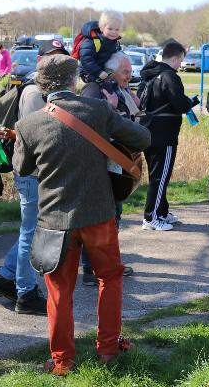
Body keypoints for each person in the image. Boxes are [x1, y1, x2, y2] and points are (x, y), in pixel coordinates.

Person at [13, 55, 151, 375]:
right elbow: (143, 139)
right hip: (99, 213)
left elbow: (21, 168)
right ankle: (108, 350)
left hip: (54, 220)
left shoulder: (28, 124)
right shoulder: (99, 111)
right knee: (110, 278)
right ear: (73, 81)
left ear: (42, 84)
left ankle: (62, 362)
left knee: (59, 291)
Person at [0, 39, 69, 315]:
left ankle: (6, 277)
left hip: (38, 172)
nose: (56, 62)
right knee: (31, 233)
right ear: (40, 61)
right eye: (51, 58)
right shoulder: (35, 92)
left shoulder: (46, 89)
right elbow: (41, 135)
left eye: (61, 58)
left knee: (30, 231)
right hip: (33, 173)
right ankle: (26, 293)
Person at [80, 51, 139, 283]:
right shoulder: (94, 90)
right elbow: (91, 129)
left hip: (117, 163)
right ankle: (92, 269)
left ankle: (108, 263)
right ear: (111, 71)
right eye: (126, 72)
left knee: (115, 215)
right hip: (99, 165)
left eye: (131, 72)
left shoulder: (120, 90)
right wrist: (113, 109)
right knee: (100, 217)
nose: (129, 76)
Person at [138, 39, 195, 231]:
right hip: (165, 133)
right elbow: (179, 104)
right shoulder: (169, 76)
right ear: (176, 58)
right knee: (160, 176)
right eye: (180, 60)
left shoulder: (148, 75)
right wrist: (189, 103)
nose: (180, 65)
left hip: (148, 130)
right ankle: (151, 217)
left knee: (158, 174)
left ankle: (161, 211)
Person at [77, 11, 123, 85]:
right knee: (98, 91)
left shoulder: (115, 43)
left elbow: (119, 56)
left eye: (117, 29)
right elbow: (86, 59)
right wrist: (98, 72)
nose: (114, 32)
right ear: (102, 28)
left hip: (105, 73)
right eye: (110, 29)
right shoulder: (93, 41)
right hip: (89, 73)